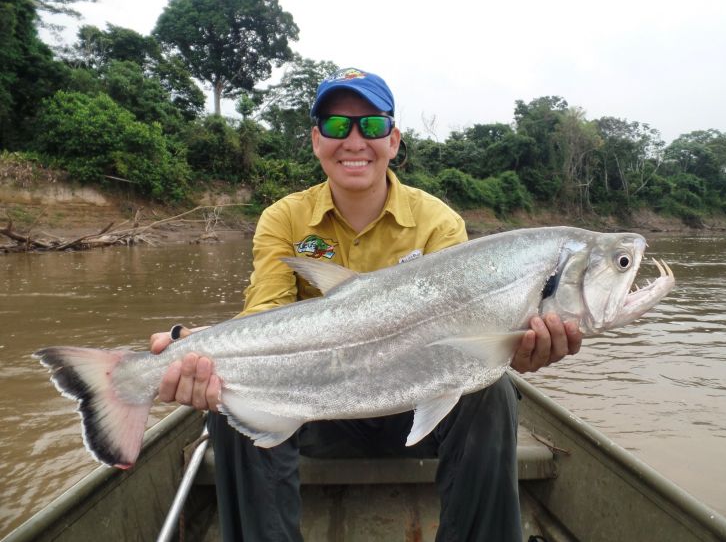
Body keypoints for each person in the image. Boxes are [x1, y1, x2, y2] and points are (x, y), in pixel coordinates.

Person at [150, 67, 582, 542]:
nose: (354, 141)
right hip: (316, 413)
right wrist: (196, 348)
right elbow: (263, 317)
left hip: (415, 409)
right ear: (317, 140)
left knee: (492, 391)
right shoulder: (284, 218)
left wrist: (515, 347)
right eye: (337, 126)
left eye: (371, 126)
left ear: (393, 140)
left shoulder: (438, 222)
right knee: (227, 397)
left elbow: (464, 342)